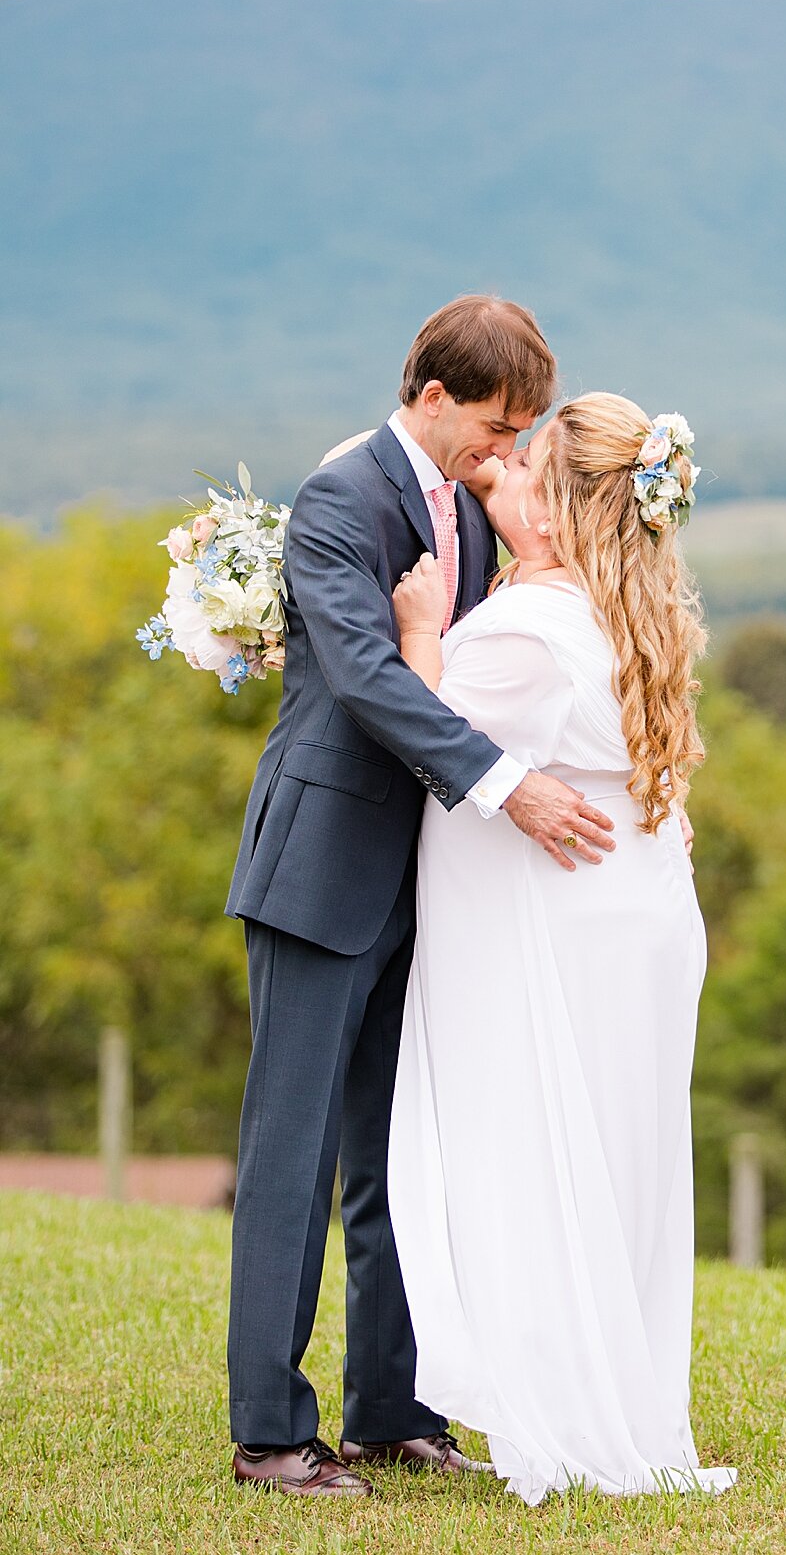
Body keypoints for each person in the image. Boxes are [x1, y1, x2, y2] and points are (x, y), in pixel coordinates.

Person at [224, 296, 617, 1499]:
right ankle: (272, 1433)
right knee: (292, 1155)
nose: (506, 449)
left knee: (402, 1152)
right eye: (494, 424)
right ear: (430, 394)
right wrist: (514, 788)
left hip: (430, 884)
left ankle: (394, 1405)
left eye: (524, 431)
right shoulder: (342, 497)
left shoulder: (471, 501)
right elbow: (367, 677)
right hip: (323, 865)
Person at [387, 393, 736, 1503]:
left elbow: (423, 725)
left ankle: (573, 1406)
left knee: (541, 1153)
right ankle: (613, 1392)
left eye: (529, 462)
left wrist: (419, 633)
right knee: (612, 1163)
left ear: (572, 500)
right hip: (638, 920)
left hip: (566, 930)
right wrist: (493, 486)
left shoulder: (528, 633)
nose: (510, 475)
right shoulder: (619, 603)